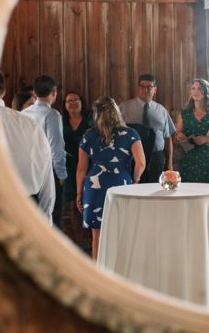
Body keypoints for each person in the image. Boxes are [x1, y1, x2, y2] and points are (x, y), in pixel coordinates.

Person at [76, 97, 145, 260]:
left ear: (96, 115)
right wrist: (134, 181)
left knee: (97, 235)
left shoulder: (88, 136)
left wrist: (79, 193)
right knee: (122, 232)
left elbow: (81, 168)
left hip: (94, 186)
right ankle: (121, 271)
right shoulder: (131, 134)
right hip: (121, 184)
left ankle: (98, 272)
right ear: (116, 112)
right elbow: (141, 163)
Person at [0, 71, 55, 221]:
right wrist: (46, 222)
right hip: (29, 212)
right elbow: (48, 181)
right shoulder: (30, 125)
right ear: (4, 91)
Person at [22, 75, 67, 227]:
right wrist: (61, 173)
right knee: (52, 216)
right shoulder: (52, 115)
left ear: (34, 93)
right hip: (48, 171)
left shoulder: (23, 114)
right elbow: (56, 147)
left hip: (26, 170)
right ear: (54, 92)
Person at [118, 74, 175, 184]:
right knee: (134, 189)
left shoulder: (161, 110)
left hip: (155, 157)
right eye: (142, 86)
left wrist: (169, 163)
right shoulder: (124, 108)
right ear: (138, 88)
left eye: (149, 87)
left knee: (155, 188)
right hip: (132, 157)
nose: (145, 90)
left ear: (155, 89)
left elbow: (167, 138)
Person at [175, 79, 209, 182]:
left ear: (207, 91)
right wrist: (179, 136)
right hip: (189, 162)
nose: (196, 91)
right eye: (193, 88)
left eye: (200, 88)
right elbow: (176, 136)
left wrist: (207, 139)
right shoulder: (184, 113)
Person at [61, 91, 92, 249]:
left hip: (89, 167)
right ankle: (79, 244)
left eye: (76, 100)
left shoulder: (90, 121)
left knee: (91, 203)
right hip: (69, 168)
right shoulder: (61, 123)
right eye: (69, 101)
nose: (72, 103)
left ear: (82, 102)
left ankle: (94, 241)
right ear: (65, 105)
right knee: (74, 205)